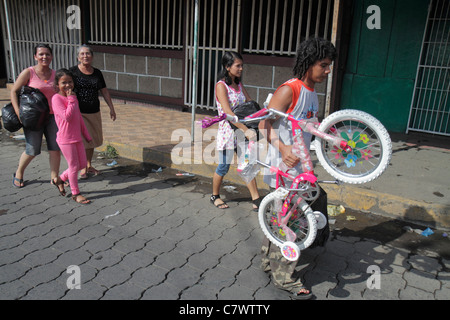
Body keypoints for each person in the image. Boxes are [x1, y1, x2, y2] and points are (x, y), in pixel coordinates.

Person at [258, 37, 337, 299]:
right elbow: (263, 125)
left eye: (329, 66)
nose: (328, 71)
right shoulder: (289, 90)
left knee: (280, 216)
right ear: (309, 63)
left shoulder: (313, 92)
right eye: (324, 65)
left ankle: (269, 260)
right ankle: (284, 277)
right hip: (282, 166)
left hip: (300, 168)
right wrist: (283, 150)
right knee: (290, 220)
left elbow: (308, 128)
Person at [211, 51, 261, 211]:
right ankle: (215, 196)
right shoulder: (221, 86)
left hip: (242, 132)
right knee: (224, 166)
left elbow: (249, 103)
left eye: (242, 66)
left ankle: (256, 198)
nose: (241, 69)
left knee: (247, 165)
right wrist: (246, 130)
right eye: (237, 66)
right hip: (228, 133)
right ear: (227, 67)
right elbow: (228, 113)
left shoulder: (239, 85)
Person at [10, 44, 62, 194]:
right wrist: (19, 112)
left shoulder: (55, 74)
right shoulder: (29, 72)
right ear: (35, 57)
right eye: (41, 54)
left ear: (52, 56)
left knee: (55, 148)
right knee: (32, 149)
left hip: (53, 116)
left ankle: (54, 176)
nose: (44, 57)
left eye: (47, 54)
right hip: (33, 118)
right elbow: (14, 91)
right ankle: (19, 172)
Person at [69, 45, 116, 179]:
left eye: (88, 54)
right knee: (83, 140)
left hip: (94, 111)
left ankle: (88, 165)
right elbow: (64, 87)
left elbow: (104, 91)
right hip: (78, 112)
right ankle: (82, 167)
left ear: (92, 56)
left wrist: (112, 108)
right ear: (78, 57)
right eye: (82, 54)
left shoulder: (97, 73)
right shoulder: (72, 72)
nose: (85, 56)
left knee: (91, 140)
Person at [52, 69, 92, 204]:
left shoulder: (72, 98)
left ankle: (60, 179)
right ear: (57, 84)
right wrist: (71, 99)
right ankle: (76, 193)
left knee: (82, 164)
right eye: (64, 82)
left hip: (77, 138)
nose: (68, 85)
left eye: (70, 82)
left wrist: (87, 135)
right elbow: (67, 117)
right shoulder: (56, 98)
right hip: (65, 139)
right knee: (74, 166)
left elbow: (78, 118)